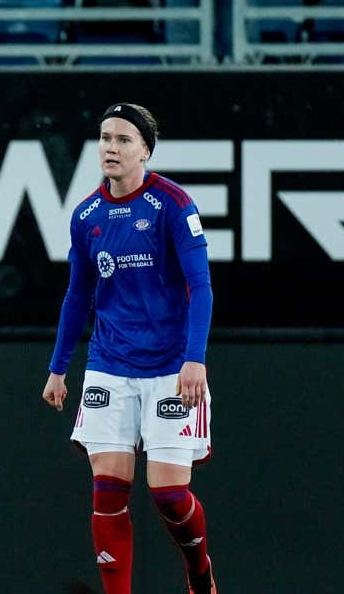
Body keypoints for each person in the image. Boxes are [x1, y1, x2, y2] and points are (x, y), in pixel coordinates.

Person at [42, 103, 216, 594]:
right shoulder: (86, 215)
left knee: (168, 493)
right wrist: (59, 368)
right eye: (104, 138)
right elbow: (78, 295)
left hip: (169, 364)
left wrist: (194, 357)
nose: (110, 148)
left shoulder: (174, 205)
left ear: (145, 150)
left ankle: (199, 568)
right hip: (109, 365)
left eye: (122, 140)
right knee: (108, 490)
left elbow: (200, 286)